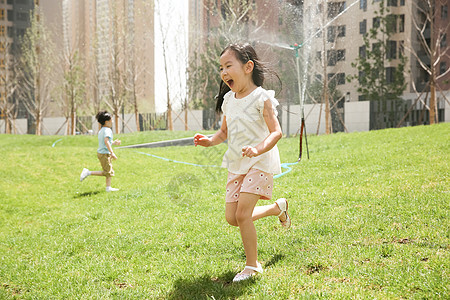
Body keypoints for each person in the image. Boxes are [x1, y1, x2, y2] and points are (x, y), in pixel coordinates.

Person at [194, 43, 291, 283]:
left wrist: (258, 148)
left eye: (228, 66)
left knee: (243, 214)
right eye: (220, 68)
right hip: (236, 164)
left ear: (248, 67)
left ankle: (252, 266)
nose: (224, 72)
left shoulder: (262, 98)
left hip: (260, 161)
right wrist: (209, 141)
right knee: (233, 217)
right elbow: (223, 133)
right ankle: (277, 208)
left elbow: (276, 132)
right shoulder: (228, 99)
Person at [80, 111, 121, 192]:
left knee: (109, 171)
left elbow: (107, 141)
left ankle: (108, 188)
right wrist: (112, 153)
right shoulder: (107, 130)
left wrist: (113, 143)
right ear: (106, 122)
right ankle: (88, 172)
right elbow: (106, 142)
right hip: (104, 154)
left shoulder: (102, 130)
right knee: (107, 172)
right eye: (111, 120)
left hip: (102, 153)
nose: (112, 121)